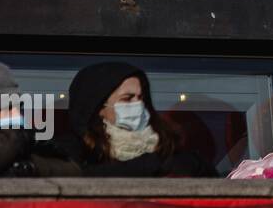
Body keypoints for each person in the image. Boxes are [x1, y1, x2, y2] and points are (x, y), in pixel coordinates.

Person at [53, 61, 213, 177]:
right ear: (99, 107)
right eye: (127, 98)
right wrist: (152, 165)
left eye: (141, 97)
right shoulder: (74, 148)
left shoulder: (166, 145)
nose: (138, 104)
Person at [0, 60, 78, 177]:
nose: (16, 114)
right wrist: (13, 138)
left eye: (18, 107)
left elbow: (71, 169)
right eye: (5, 109)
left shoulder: (23, 140)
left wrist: (28, 166)